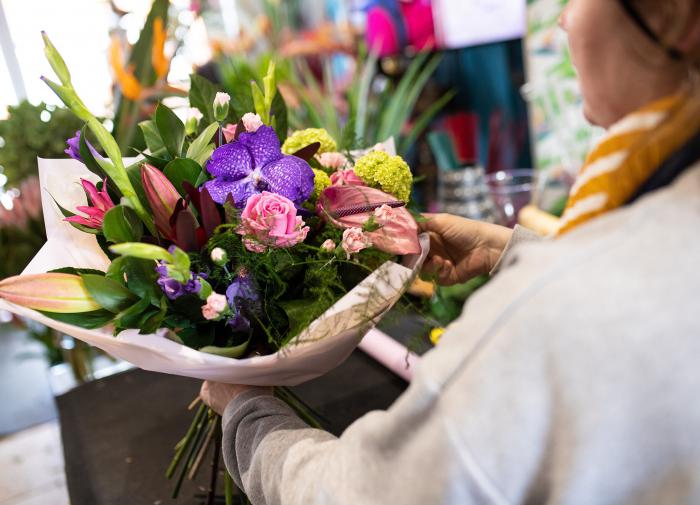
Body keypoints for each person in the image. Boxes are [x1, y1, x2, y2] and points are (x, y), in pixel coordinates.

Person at [200, 0, 700, 503]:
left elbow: (370, 492)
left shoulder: (551, 310)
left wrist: (248, 415)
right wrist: (515, 248)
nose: (563, 18)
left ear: (674, 17)